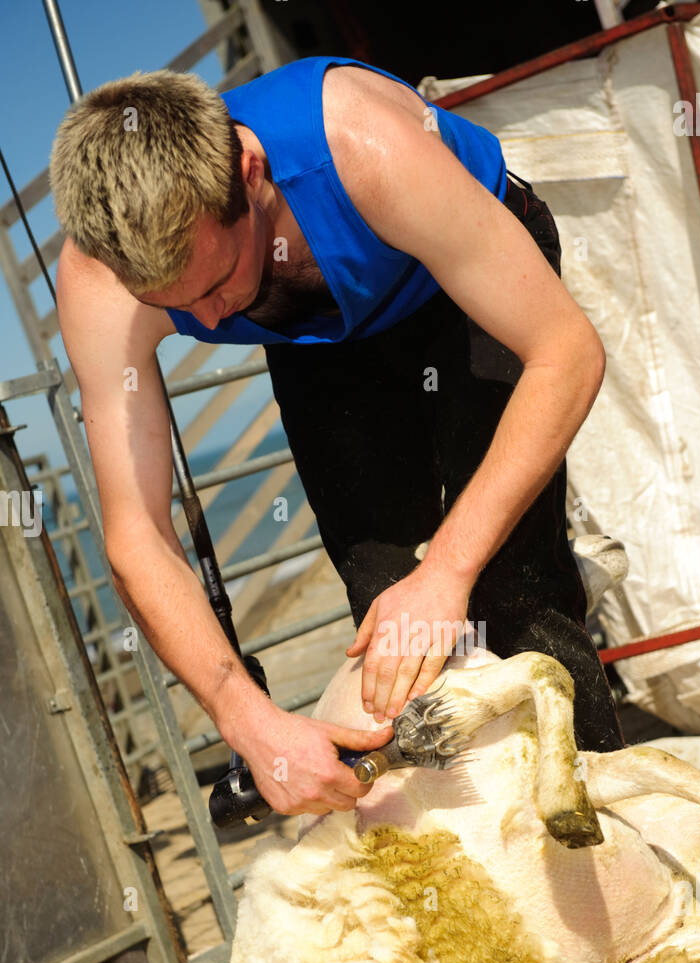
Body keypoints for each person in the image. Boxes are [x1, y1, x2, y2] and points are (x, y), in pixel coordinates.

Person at [50, 57, 624, 819]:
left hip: (464, 286)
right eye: (176, 306)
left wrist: (448, 570)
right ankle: (483, 859)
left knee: (509, 592)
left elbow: (566, 352)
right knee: (385, 606)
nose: (214, 322)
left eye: (216, 282)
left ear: (249, 171)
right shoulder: (97, 278)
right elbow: (135, 536)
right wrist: (245, 719)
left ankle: (613, 861)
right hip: (322, 340)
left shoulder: (363, 145)